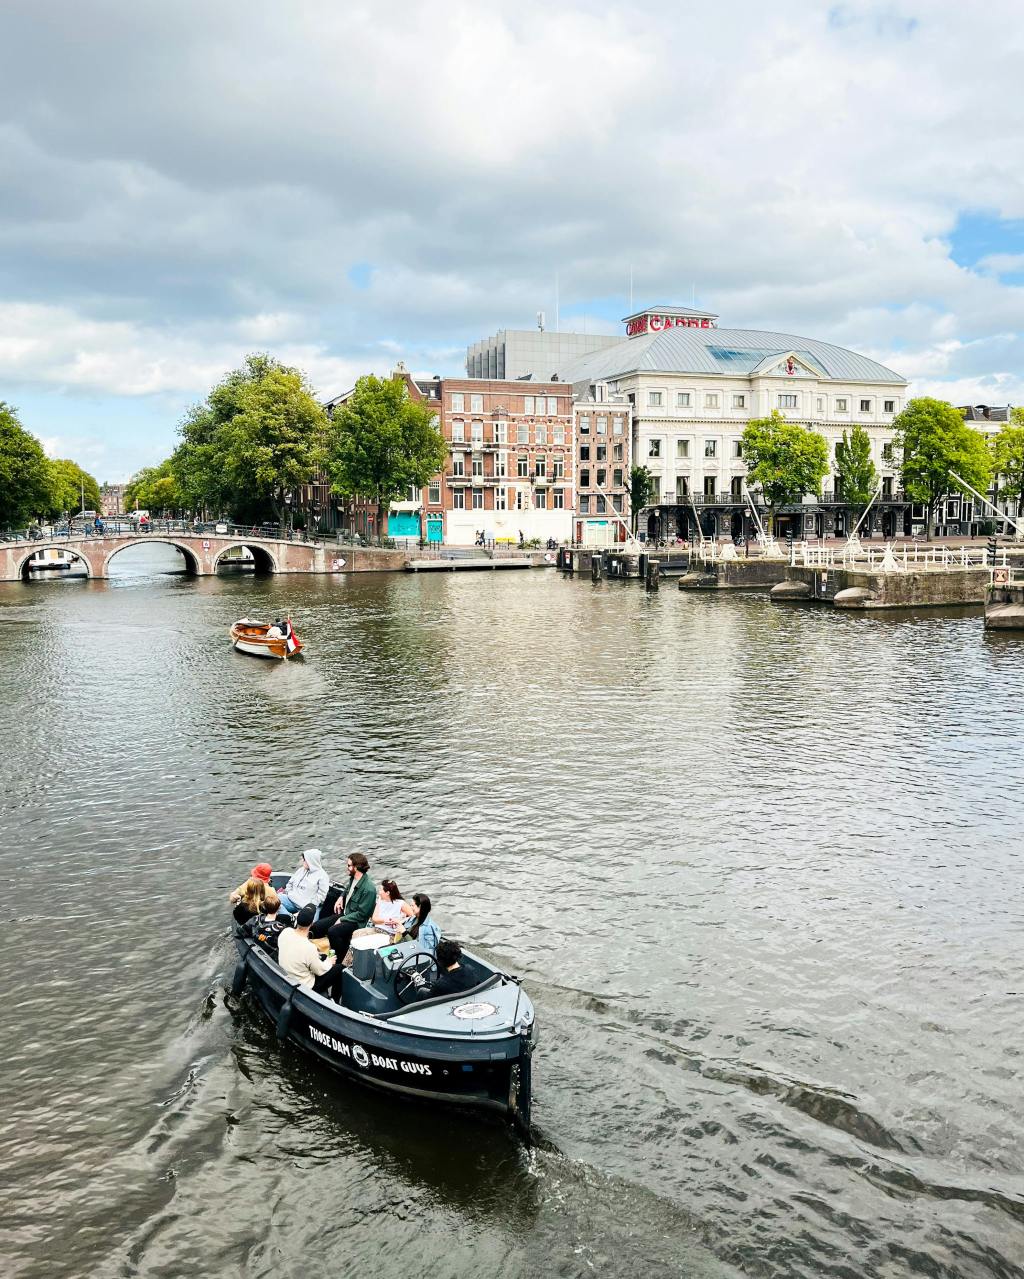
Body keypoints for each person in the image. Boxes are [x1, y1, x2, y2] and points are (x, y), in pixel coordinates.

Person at [309, 852, 375, 970]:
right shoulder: (353, 878)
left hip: (356, 922)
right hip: (346, 914)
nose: (347, 868)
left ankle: (339, 961)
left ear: (356, 868)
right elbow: (348, 890)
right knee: (317, 927)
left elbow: (362, 914)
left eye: (349, 866)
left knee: (333, 931)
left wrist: (342, 918)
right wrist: (341, 897)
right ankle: (316, 953)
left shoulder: (369, 889)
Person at [277, 905, 336, 993]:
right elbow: (319, 971)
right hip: (302, 986)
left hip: (285, 974)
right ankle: (334, 998)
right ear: (312, 923)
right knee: (339, 968)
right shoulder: (309, 947)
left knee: (322, 956)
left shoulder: (286, 931)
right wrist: (330, 962)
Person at [411, 939, 476, 1001]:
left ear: (440, 961)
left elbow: (429, 1000)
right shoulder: (470, 969)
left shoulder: (441, 984)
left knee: (421, 991)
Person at [277, 849, 329, 916]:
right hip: (291, 901)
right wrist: (289, 893)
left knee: (310, 923)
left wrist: (310, 905)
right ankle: (290, 917)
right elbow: (290, 883)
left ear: (311, 861)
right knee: (275, 900)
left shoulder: (323, 876)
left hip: (307, 907)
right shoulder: (300, 870)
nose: (302, 861)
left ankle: (291, 918)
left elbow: (321, 896)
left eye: (304, 860)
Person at [244, 890, 294, 958]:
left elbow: (241, 931)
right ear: (279, 908)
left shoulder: (256, 918)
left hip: (257, 946)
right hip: (272, 954)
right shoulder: (280, 927)